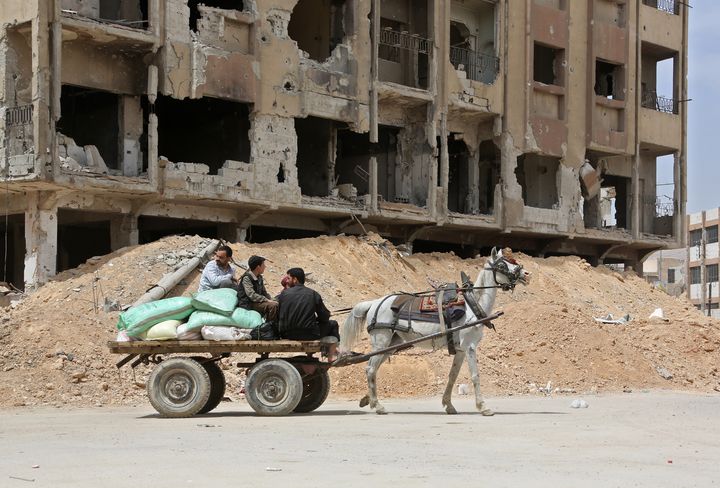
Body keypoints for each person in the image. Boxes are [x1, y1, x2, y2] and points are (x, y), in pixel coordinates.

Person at [277, 267, 340, 358]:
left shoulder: (283, 294)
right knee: (333, 324)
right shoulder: (313, 294)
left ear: (295, 279)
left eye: (289, 278)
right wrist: (316, 320)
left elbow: (279, 315)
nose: (287, 281)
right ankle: (330, 356)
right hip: (309, 334)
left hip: (286, 334)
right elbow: (325, 316)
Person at [236, 255, 278, 322]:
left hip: (257, 300)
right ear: (258, 267)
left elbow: (264, 292)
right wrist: (266, 300)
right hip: (249, 303)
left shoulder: (259, 277)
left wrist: (270, 299)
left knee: (278, 300)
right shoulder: (247, 278)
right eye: (263, 265)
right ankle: (269, 325)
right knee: (273, 305)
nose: (265, 267)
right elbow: (252, 295)